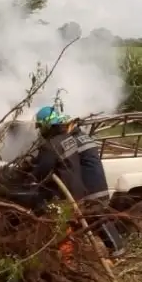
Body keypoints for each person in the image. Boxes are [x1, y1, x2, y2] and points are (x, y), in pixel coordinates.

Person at [31, 106, 126, 258]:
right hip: (87, 187)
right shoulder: (77, 139)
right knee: (92, 220)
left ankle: (117, 250)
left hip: (90, 188)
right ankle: (85, 251)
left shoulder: (62, 143)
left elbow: (48, 167)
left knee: (97, 219)